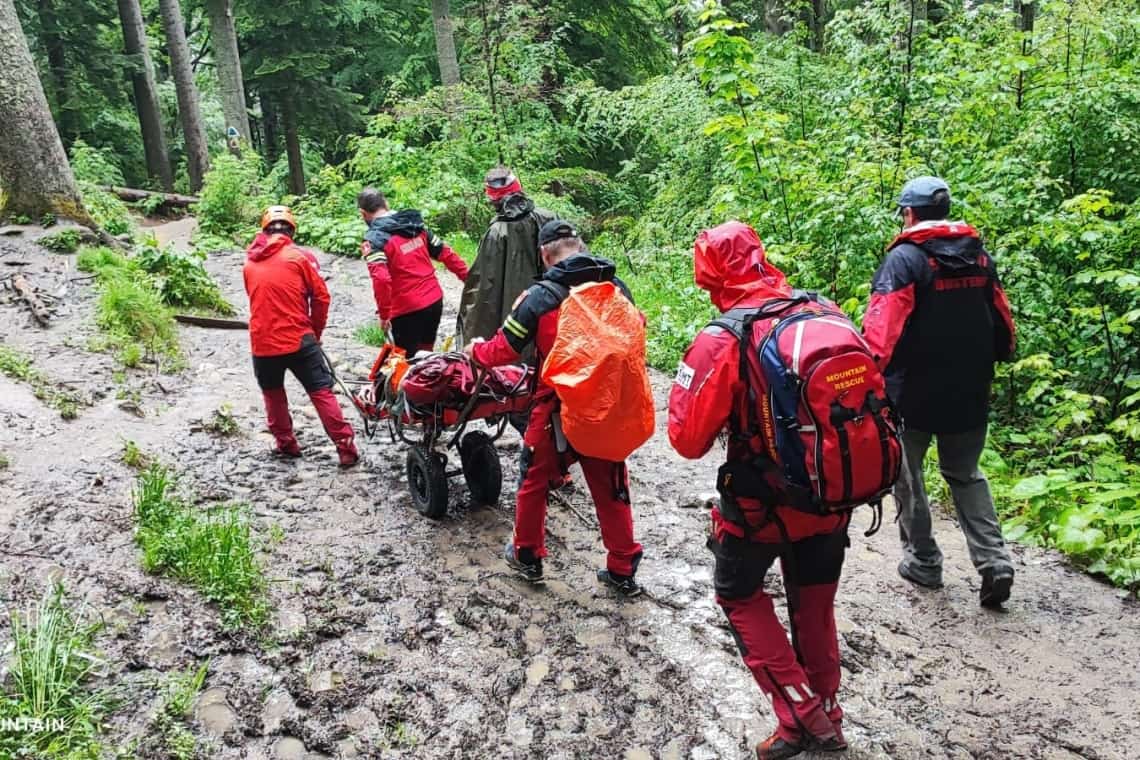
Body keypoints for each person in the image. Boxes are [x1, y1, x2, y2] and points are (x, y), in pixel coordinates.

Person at [668, 221, 848, 760]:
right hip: (831, 494)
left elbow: (687, 439)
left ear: (707, 273)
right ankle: (828, 711)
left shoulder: (725, 337)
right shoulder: (824, 312)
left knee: (738, 594)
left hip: (759, 507)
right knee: (814, 606)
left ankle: (803, 717)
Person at [466, 220, 644, 596]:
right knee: (612, 484)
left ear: (545, 256)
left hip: (557, 407)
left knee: (532, 478)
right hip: (604, 406)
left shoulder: (540, 297)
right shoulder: (616, 287)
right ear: (581, 246)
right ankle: (623, 566)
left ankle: (527, 555)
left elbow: (504, 349)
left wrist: (475, 351)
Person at [863, 176, 1017, 608]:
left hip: (911, 392)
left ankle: (924, 562)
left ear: (909, 214)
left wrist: (867, 381)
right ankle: (994, 562)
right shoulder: (979, 257)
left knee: (907, 476)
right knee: (966, 474)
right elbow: (1002, 320)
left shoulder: (904, 261)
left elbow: (881, 333)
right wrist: (999, 357)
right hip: (970, 388)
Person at [244, 206, 359, 468]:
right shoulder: (299, 257)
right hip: (299, 338)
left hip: (263, 342)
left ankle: (286, 444)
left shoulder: (249, 262)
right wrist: (315, 333)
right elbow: (321, 297)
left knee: (272, 394)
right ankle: (345, 448)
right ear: (291, 231)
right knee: (321, 392)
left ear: (265, 231)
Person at [357, 188, 468, 355]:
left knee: (404, 360)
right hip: (434, 302)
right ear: (386, 204)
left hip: (406, 310)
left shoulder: (374, 240)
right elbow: (446, 254)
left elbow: (381, 279)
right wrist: (470, 280)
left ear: (363, 213)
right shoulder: (413, 224)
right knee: (426, 355)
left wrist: (384, 315)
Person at [455, 167, 556, 349]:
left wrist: (470, 333)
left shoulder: (496, 232)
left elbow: (483, 288)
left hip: (515, 321)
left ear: (494, 201)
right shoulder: (549, 218)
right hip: (550, 306)